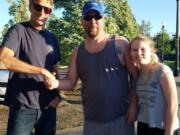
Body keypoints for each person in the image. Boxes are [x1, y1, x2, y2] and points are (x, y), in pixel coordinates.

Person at [44, 1, 138, 135]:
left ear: (103, 20)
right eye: (88, 17)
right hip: (92, 123)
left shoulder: (120, 43)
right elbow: (70, 81)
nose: (92, 21)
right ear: (82, 21)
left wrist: (134, 105)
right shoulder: (77, 52)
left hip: (121, 120)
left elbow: (135, 76)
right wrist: (55, 83)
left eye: (97, 17)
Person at [0, 0, 61, 135]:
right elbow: (5, 58)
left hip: (48, 106)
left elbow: (55, 68)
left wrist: (58, 96)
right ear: (30, 7)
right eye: (38, 7)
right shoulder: (18, 30)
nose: (42, 13)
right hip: (22, 108)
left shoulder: (52, 38)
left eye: (47, 10)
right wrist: (41, 70)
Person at [130, 35, 179, 135]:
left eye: (142, 49)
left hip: (163, 127)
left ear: (150, 50)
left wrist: (168, 132)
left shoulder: (161, 71)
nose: (138, 53)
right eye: (134, 50)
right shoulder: (137, 75)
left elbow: (173, 104)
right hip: (143, 125)